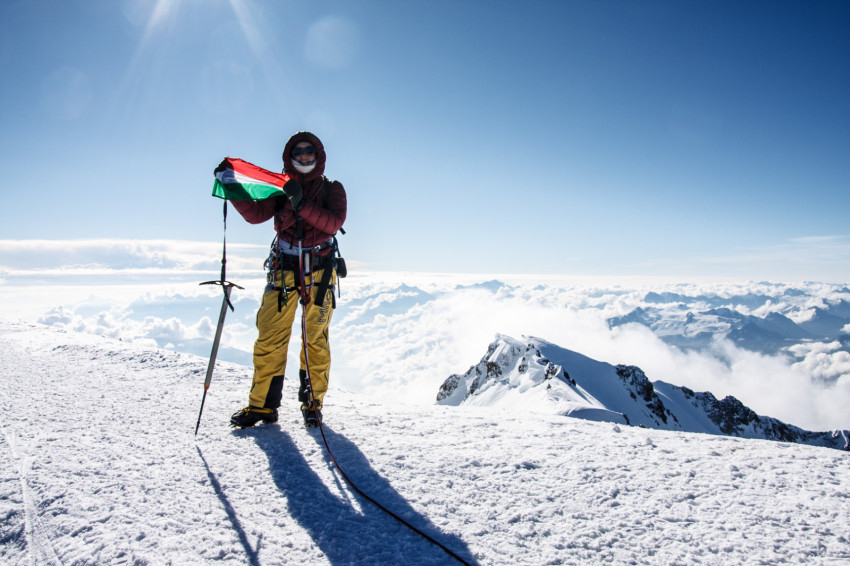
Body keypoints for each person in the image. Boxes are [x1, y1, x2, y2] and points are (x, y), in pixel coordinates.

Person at [229, 131, 347, 428]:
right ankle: (262, 407)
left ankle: (313, 404)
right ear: (290, 157)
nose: (304, 156)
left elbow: (333, 223)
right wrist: (234, 190)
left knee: (314, 339)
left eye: (309, 151)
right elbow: (256, 215)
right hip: (285, 266)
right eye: (299, 152)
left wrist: (299, 202)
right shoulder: (280, 188)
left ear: (318, 155)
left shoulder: (332, 188)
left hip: (319, 269)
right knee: (270, 335)